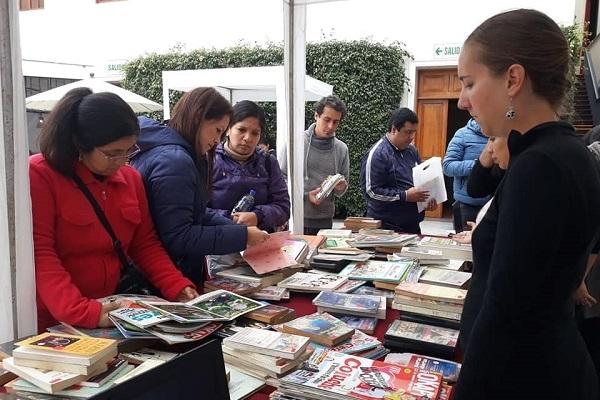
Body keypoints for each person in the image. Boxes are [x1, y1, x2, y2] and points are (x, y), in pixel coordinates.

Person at [454, 9, 600, 400]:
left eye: (469, 83)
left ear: (513, 79)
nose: (463, 101)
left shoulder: (541, 166)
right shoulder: (561, 152)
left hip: (524, 378)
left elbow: (507, 312)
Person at [30, 88, 197, 332]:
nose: (122, 161)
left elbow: (145, 243)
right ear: (80, 144)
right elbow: (41, 255)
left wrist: (176, 285)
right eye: (112, 154)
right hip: (55, 318)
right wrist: (80, 311)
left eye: (129, 151)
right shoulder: (40, 174)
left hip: (110, 310)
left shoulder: (130, 178)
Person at [130, 88, 268, 286]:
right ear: (198, 118)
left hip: (164, 271)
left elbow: (195, 213)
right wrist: (242, 235)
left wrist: (237, 230)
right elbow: (180, 235)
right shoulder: (174, 161)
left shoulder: (169, 150)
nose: (217, 141)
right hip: (165, 275)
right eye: (218, 130)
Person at [208, 100, 290, 232]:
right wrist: (230, 219)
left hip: (261, 244)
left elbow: (283, 207)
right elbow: (197, 210)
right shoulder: (209, 160)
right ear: (228, 129)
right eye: (241, 130)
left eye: (255, 133)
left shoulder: (268, 162)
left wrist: (258, 216)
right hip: (218, 244)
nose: (247, 138)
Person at [279, 95, 350, 235]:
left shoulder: (342, 149)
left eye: (335, 122)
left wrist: (341, 186)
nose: (330, 126)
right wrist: (305, 196)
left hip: (325, 220)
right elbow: (280, 179)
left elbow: (343, 189)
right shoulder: (295, 143)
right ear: (316, 116)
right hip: (296, 218)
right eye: (327, 120)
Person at [359, 107, 436, 234]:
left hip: (413, 225)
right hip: (386, 228)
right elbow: (370, 192)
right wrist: (404, 196)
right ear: (394, 129)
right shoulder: (378, 154)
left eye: (414, 132)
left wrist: (428, 200)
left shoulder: (412, 150)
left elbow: (419, 180)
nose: (411, 137)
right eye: (407, 132)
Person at [442, 118, 489, 233]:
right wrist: (479, 164)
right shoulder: (462, 134)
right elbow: (448, 166)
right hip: (467, 204)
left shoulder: (501, 134)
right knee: (464, 248)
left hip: (493, 203)